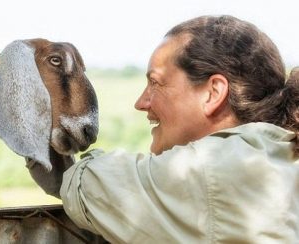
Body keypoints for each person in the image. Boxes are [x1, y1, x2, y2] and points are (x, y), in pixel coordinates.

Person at [54, 15, 299, 243]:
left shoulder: (216, 169)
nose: (141, 103)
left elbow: (87, 186)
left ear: (213, 93)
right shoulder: (279, 156)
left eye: (155, 82)